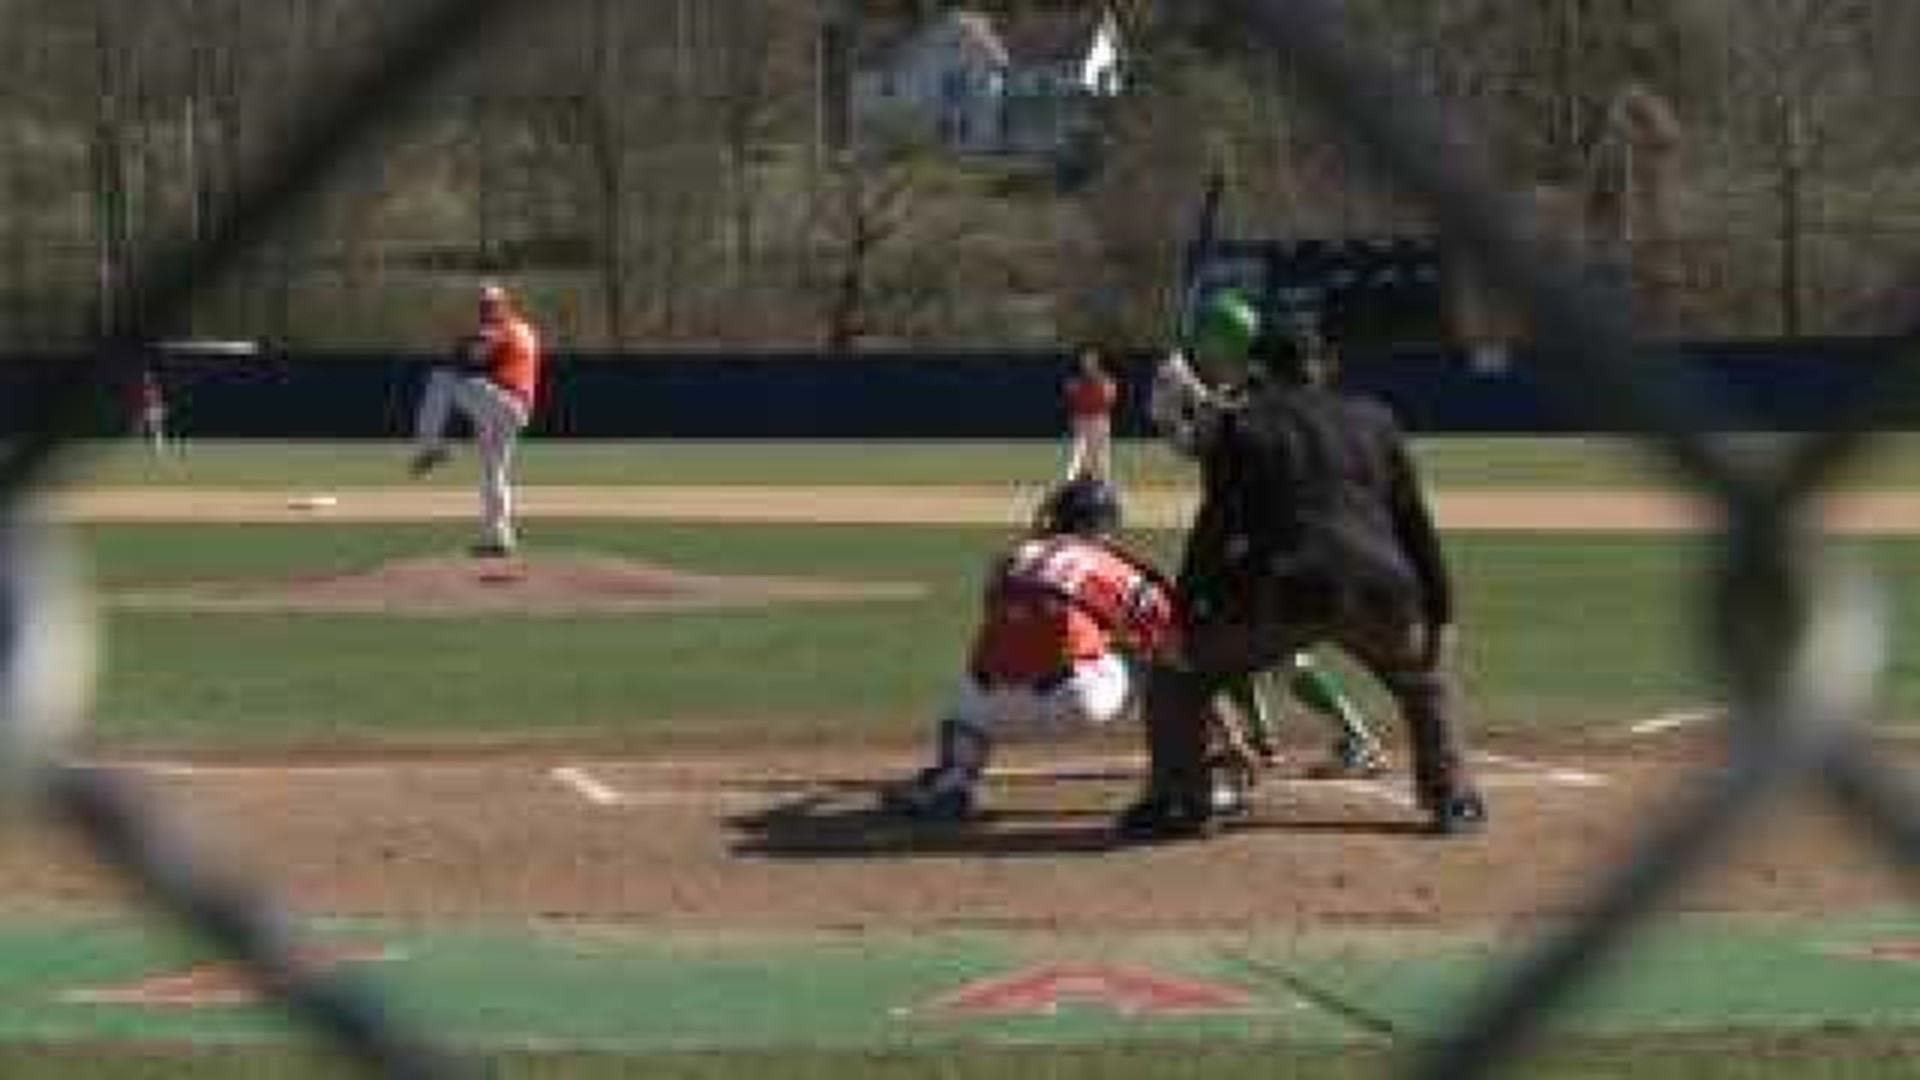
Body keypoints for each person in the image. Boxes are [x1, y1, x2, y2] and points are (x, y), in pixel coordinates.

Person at [1121, 289, 1485, 841]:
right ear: (1324, 366)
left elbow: (1215, 530)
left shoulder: (1241, 426)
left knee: (1177, 678)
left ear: (1257, 368)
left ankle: (1180, 801)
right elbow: (1413, 522)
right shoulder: (1376, 420)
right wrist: (1442, 611)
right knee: (1424, 680)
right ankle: (1454, 798)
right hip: (1382, 593)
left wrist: (1185, 613)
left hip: (1282, 595)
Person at [1150, 293, 1388, 782]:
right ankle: (1261, 738)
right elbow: (1204, 443)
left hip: (1279, 539)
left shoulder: (1260, 387)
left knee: (1284, 658)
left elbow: (1231, 426)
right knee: (1232, 640)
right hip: (1247, 538)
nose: (1203, 352)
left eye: (1209, 344)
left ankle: (1358, 738)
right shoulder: (1242, 383)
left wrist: (1185, 394)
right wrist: (1170, 414)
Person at [879, 475, 1196, 821]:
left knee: (968, 695)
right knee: (1158, 660)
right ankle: (1181, 780)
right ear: (1108, 524)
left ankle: (954, 781)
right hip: (1078, 700)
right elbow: (1173, 644)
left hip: (987, 708)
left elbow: (1007, 613)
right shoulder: (1116, 568)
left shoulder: (1011, 558)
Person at [407, 282, 542, 558]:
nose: (486, 310)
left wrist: (462, 346)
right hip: (516, 407)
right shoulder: (525, 329)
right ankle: (500, 538)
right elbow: (487, 356)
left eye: (490, 305)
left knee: (440, 379)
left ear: (503, 305)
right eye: (484, 306)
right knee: (493, 471)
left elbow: (470, 353)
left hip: (502, 399)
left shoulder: (503, 326)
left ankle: (430, 447)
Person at [1062, 347, 1119, 483]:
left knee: (1100, 455)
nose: (1087, 363)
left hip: (1099, 419)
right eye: (1085, 360)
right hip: (1082, 419)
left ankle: (1104, 483)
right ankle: (1071, 480)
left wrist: (1104, 388)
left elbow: (1110, 398)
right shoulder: (1077, 380)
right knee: (1080, 451)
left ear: (1097, 362)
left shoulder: (1104, 379)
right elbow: (1071, 395)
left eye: (1091, 360)